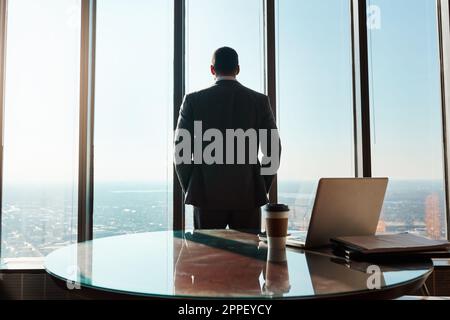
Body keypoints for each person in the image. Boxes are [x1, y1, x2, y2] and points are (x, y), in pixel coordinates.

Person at [174, 47, 281, 233]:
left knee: (208, 258)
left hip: (205, 196)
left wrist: (193, 185)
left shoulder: (193, 101)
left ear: (212, 70)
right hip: (248, 196)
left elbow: (181, 153)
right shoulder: (259, 101)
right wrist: (258, 184)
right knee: (248, 260)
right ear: (237, 69)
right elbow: (273, 151)